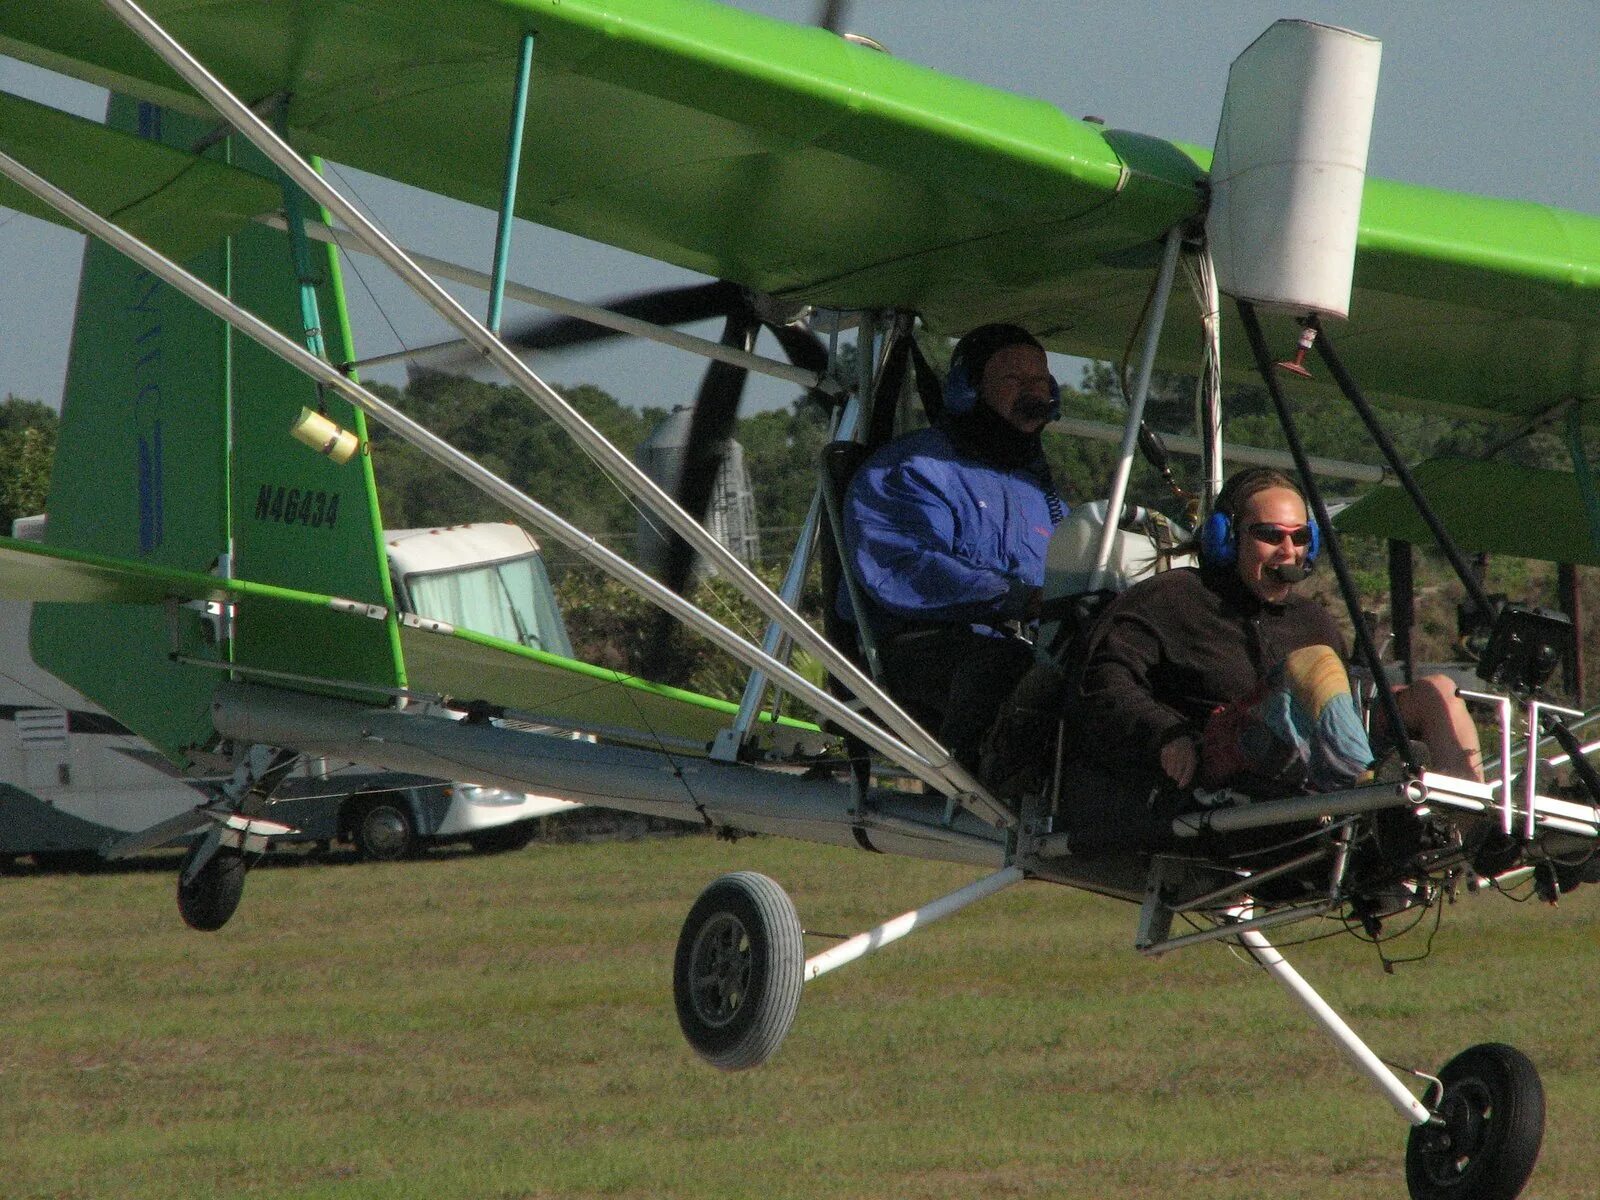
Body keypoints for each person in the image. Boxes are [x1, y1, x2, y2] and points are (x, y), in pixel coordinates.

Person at [1076, 466, 1484, 798]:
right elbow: (1101, 678)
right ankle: (1368, 791)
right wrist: (1166, 733)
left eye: (1300, 537)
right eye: (1270, 535)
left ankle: (1471, 822)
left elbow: (1342, 707)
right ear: (1227, 538)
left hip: (1306, 760)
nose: (1288, 551)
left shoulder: (1313, 620)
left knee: (1438, 691)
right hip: (1221, 762)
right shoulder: (1174, 597)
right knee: (1317, 664)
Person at [841, 323, 1066, 767]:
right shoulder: (912, 469)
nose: (1033, 391)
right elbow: (906, 570)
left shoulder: (1038, 490)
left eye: (1040, 380)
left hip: (1018, 646)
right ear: (967, 390)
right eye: (1014, 379)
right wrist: (1015, 597)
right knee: (1004, 667)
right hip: (918, 647)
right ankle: (979, 785)